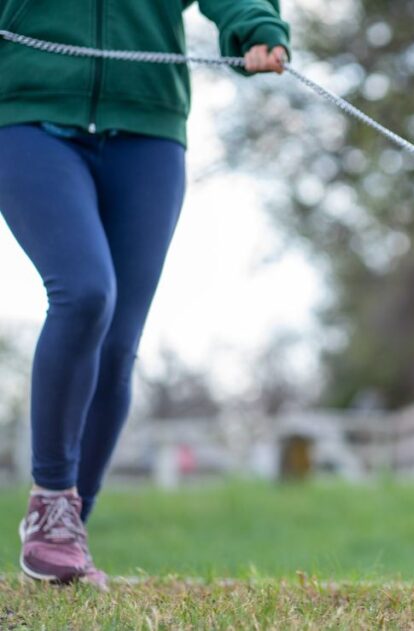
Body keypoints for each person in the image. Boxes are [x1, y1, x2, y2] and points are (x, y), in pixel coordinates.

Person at [0, 0, 290, 587]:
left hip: (148, 128)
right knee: (84, 293)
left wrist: (255, 27)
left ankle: (70, 531)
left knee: (117, 343)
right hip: (26, 112)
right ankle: (52, 504)